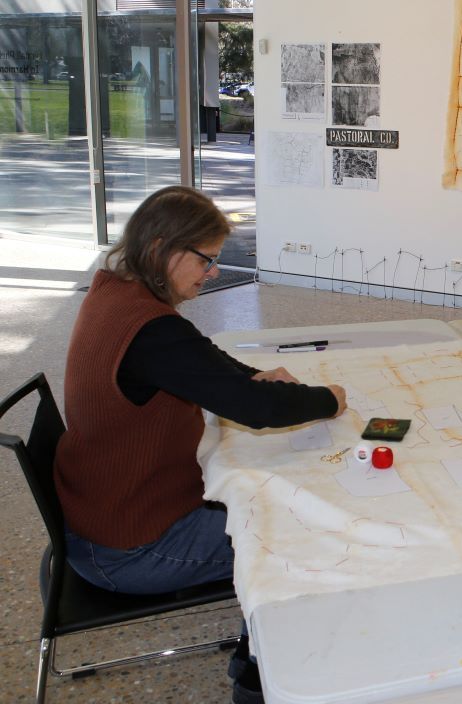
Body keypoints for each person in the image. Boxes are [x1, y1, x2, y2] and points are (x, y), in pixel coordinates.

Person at [53, 186, 345, 701]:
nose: (211, 273)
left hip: (103, 515)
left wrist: (255, 375)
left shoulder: (115, 291)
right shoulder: (148, 331)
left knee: (269, 498)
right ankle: (257, 682)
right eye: (206, 261)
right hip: (129, 547)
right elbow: (257, 411)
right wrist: (330, 400)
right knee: (293, 540)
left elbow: (200, 357)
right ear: (162, 247)